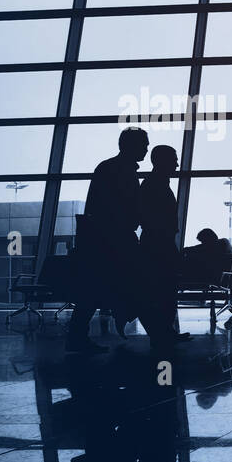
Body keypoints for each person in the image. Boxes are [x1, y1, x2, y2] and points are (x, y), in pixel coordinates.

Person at [66, 126, 149, 352]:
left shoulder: (108, 168)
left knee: (92, 292)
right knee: (98, 290)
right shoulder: (121, 171)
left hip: (102, 241)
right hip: (111, 242)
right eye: (144, 144)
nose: (147, 148)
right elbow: (120, 209)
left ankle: (78, 337)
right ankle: (84, 334)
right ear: (132, 146)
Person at [137, 145, 190, 349]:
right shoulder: (155, 185)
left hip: (158, 244)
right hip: (159, 246)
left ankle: (163, 332)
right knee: (163, 290)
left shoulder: (153, 184)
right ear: (162, 161)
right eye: (174, 159)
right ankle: (162, 333)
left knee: (162, 290)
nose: (177, 163)